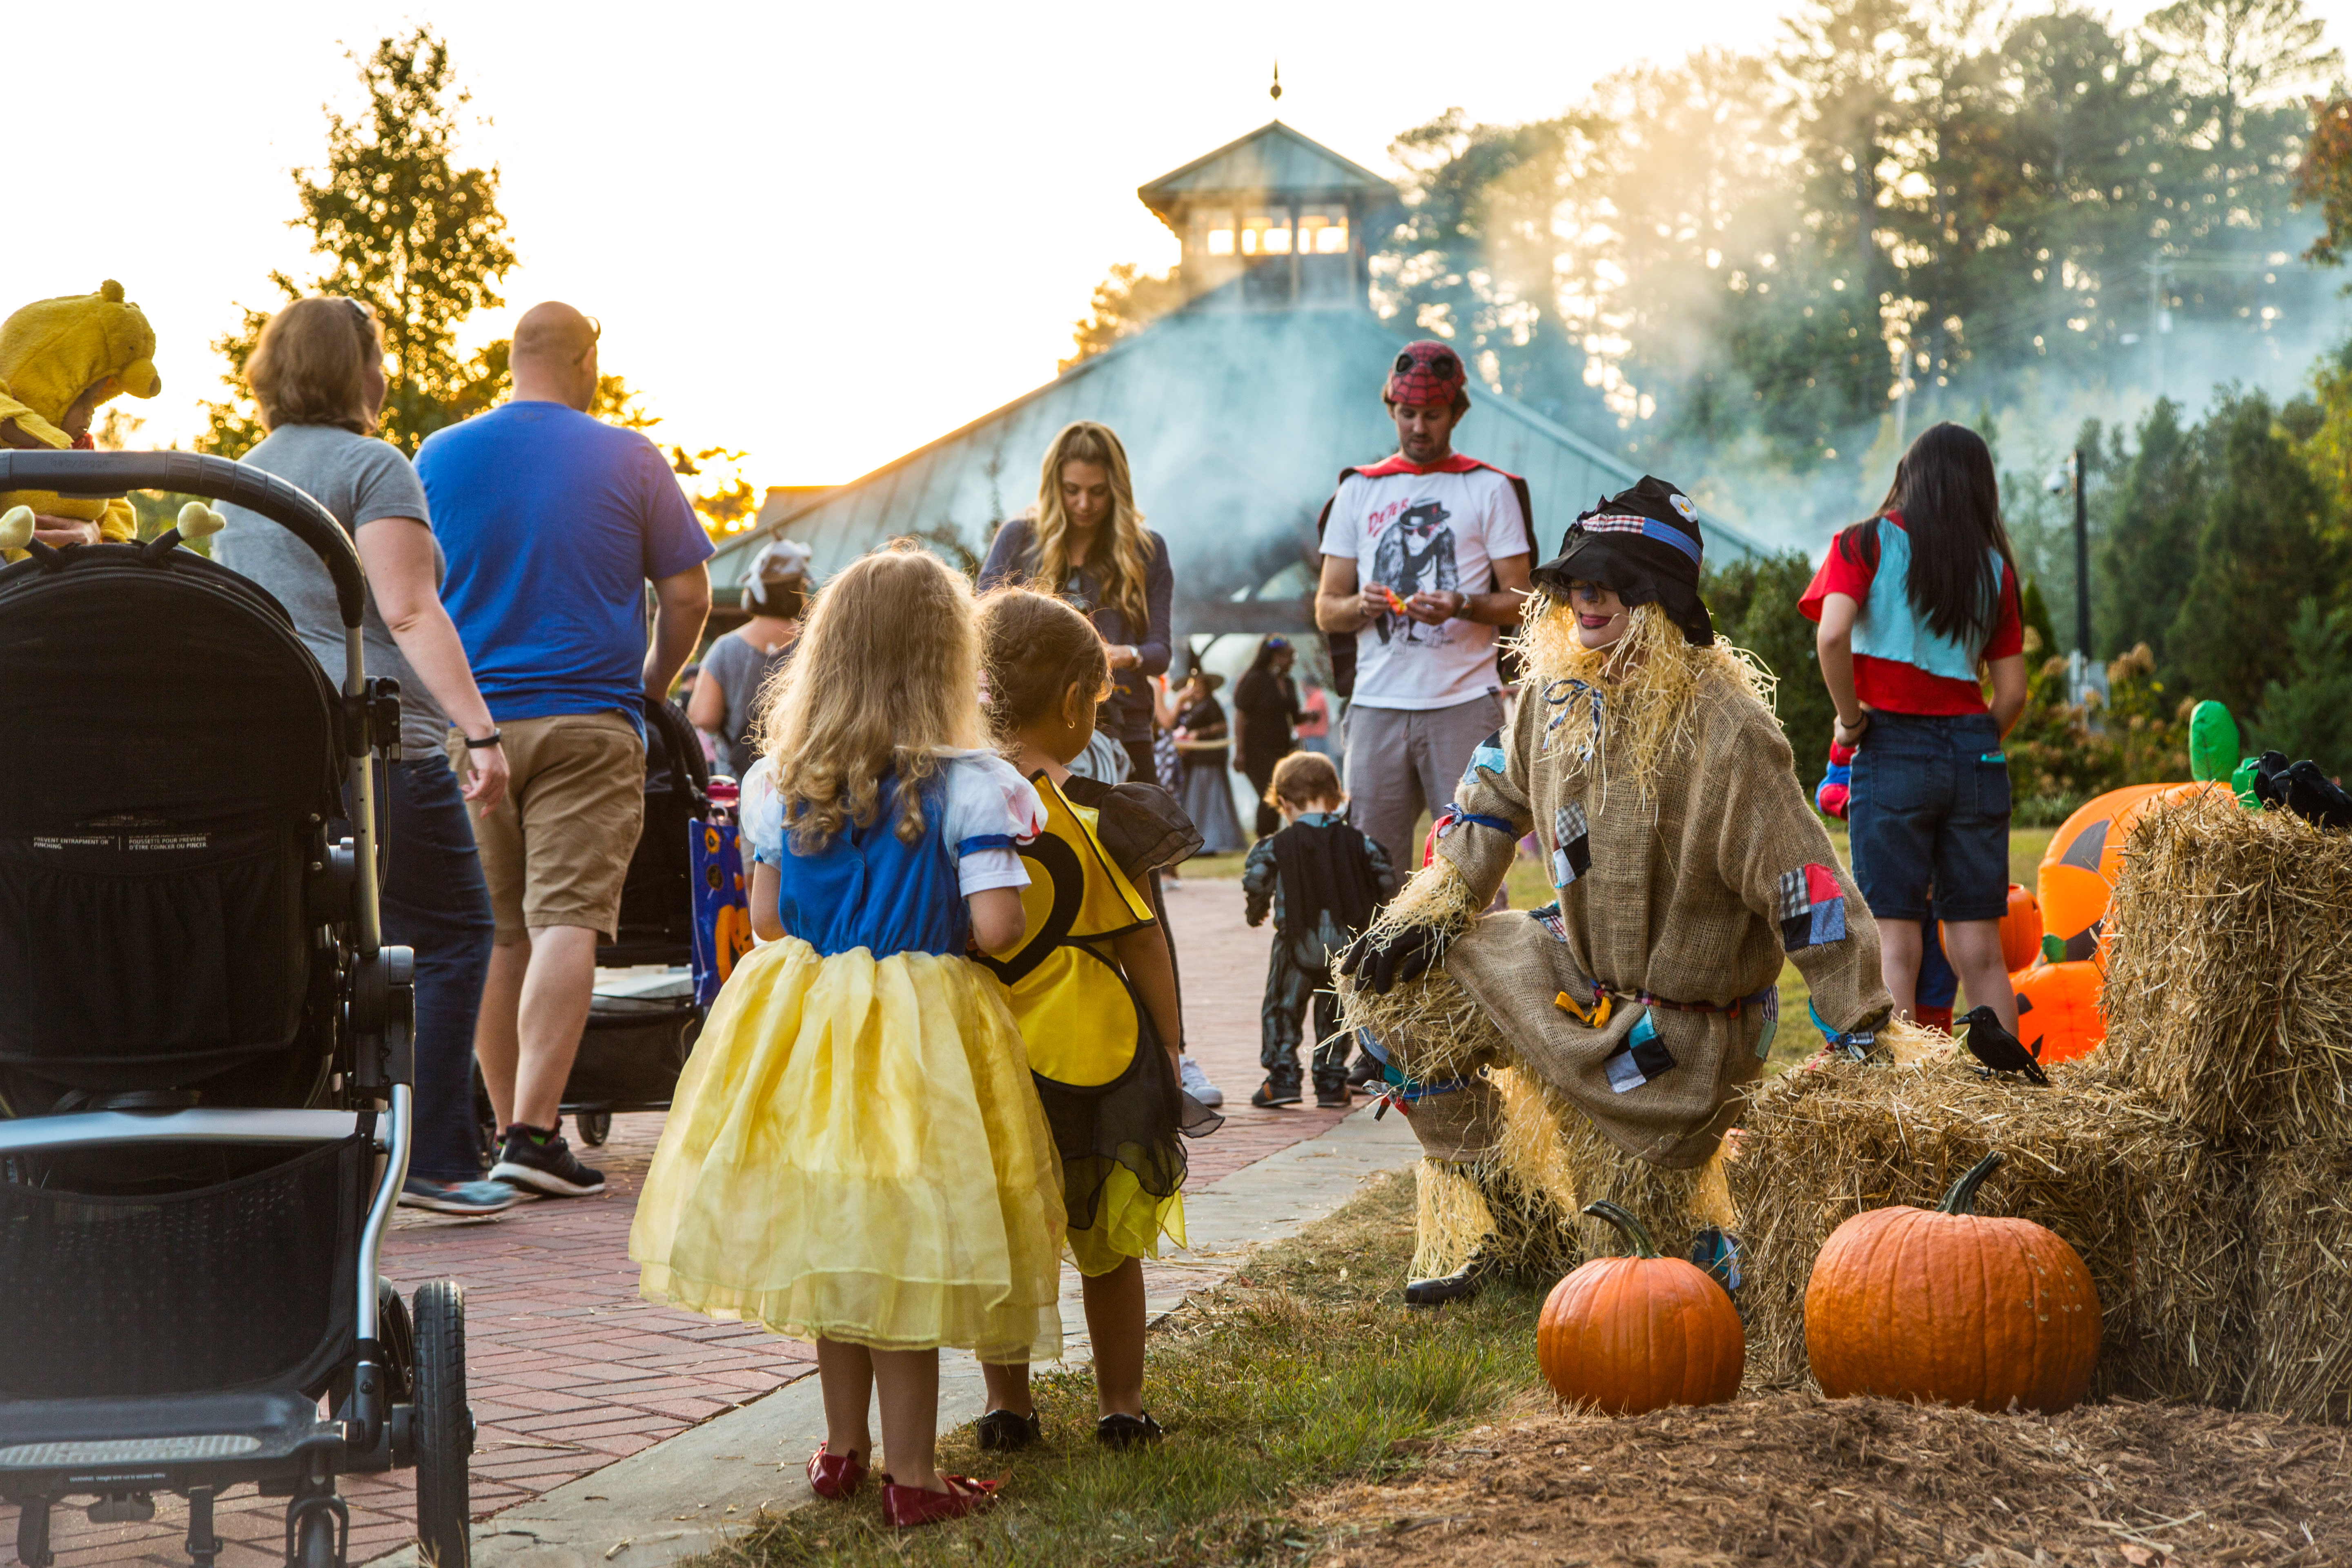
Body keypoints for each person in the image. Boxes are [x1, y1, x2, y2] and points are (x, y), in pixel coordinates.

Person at [1340, 477, 1911, 1307]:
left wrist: (1862, 1029)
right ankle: (1518, 1223)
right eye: (1576, 582)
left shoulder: (1729, 730)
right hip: (1577, 984)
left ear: (1663, 598)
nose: (1586, 599)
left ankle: (1700, 1243)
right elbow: (1492, 799)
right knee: (1402, 1003)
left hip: (1680, 1037)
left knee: (1631, 1263)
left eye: (1610, 583)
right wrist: (1435, 911)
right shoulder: (1554, 695)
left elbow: (1807, 887)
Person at [630, 547, 1061, 1528]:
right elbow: (995, 928)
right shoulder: (972, 784)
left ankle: (841, 1448)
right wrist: (1015, 898)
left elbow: (774, 918)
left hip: (810, 1031)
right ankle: (912, 1475)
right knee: (901, 1249)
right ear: (948, 661)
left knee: (839, 1240)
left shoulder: (784, 781)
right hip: (919, 1040)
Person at [215, 296, 519, 1218]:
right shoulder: (372, 465)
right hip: (383, 741)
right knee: (457, 931)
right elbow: (411, 609)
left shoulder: (242, 476)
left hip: (281, 743)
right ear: (363, 370)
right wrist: (481, 731)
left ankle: (330, 1142)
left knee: (328, 944)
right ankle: (434, 1157)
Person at [417, 301, 714, 1199]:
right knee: (566, 920)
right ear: (586, 361)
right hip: (589, 718)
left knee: (498, 930)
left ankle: (511, 1130)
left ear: (513, 361)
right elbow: (690, 594)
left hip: (472, 726)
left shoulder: (438, 455)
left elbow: (412, 591)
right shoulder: (626, 454)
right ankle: (533, 1134)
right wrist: (653, 685)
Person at [971, 587, 1207, 1450]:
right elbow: (1144, 943)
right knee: (1110, 1240)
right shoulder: (1107, 815)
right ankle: (1122, 1405)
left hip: (989, 1055)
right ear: (1077, 701)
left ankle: (1009, 1409)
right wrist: (1174, 1048)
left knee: (1004, 1234)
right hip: (1099, 1051)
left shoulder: (955, 809)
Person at [1802, 422, 2027, 1036]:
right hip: (1976, 754)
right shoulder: (1996, 571)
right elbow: (2011, 695)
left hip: (1892, 749)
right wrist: (1972, 749)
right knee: (1980, 952)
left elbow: (1831, 634)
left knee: (1895, 945)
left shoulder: (1864, 544)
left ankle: (1907, 1106)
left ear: (1911, 476)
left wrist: (1851, 723)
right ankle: (2009, 1095)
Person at [1312, 341, 1537, 872]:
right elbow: (1326, 609)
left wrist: (1462, 604)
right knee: (1372, 872)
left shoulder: (1489, 488)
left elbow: (1526, 602)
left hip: (1464, 702)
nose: (1418, 427)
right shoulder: (1357, 491)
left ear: (1456, 413)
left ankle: (1471, 962)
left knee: (1471, 870)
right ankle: (1378, 960)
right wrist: (1361, 606)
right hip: (1375, 704)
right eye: (1408, 414)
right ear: (1392, 409)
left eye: (1432, 415)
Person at [978, 421, 1172, 786]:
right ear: (1054, 486)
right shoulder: (1019, 539)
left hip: (1126, 724)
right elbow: (980, 628)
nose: (1084, 504)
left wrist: (1118, 655)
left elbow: (1161, 651)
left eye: (1098, 492)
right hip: (1029, 726)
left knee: (1144, 837)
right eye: (1072, 491)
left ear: (1118, 489)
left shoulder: (1147, 551)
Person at [1243, 752, 1396, 1109]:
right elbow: (1386, 875)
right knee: (1336, 1016)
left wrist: (1257, 910)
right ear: (1336, 796)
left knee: (1282, 1010)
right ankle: (1331, 1083)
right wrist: (1382, 914)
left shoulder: (1276, 845)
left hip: (1294, 944)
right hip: (1346, 948)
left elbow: (1256, 877)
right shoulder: (1362, 842)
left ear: (1282, 802)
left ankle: (1281, 1080)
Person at [0, 280, 161, 551]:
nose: (91, 411)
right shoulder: (9, 452)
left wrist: (101, 536)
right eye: (80, 395)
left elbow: (116, 506)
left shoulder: (84, 456)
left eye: (94, 397)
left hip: (74, 582)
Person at [689, 537, 811, 776]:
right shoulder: (815, 646)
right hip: (802, 780)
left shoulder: (725, 649)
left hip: (741, 783)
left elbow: (704, 717)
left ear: (754, 590)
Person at [1233, 636, 1309, 838]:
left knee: (1278, 795)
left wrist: (1309, 717)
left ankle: (1273, 840)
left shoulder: (1288, 682)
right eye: (1289, 656)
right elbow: (1241, 715)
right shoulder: (1256, 680)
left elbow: (1294, 716)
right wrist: (1240, 752)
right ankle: (1264, 839)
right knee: (1269, 793)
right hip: (1257, 750)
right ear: (1275, 657)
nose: (1293, 660)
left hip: (1282, 749)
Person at [1172, 669, 1249, 854]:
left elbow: (1223, 726)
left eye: (1200, 685)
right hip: (1194, 761)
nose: (1197, 689)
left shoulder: (1211, 705)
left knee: (1210, 800)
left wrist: (1200, 734)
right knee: (1196, 801)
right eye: (1193, 685)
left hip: (1208, 761)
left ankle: (1211, 841)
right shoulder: (1192, 707)